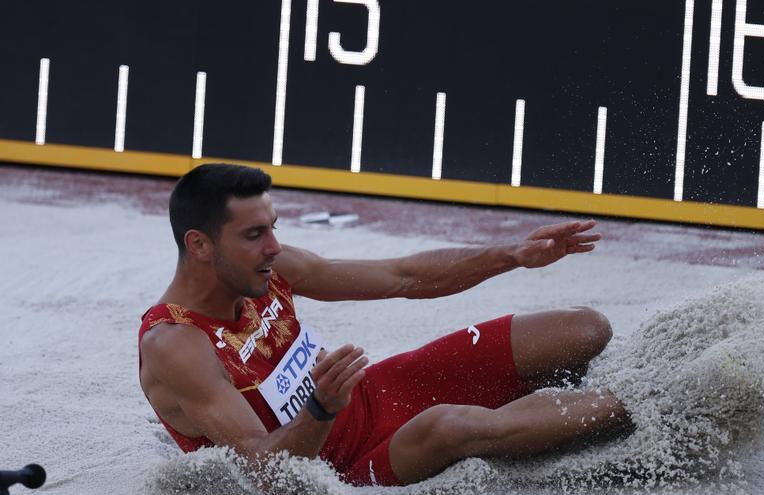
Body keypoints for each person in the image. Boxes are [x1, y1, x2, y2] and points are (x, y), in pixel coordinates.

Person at [138, 163, 632, 486]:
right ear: (200, 245)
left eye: (273, 226)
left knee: (583, 329)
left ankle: (543, 414)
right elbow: (271, 474)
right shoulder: (177, 346)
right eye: (253, 234)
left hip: (374, 396)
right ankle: (649, 410)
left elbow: (402, 276)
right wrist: (320, 408)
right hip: (341, 468)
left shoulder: (266, 266)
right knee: (454, 424)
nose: (273, 246)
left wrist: (513, 254)